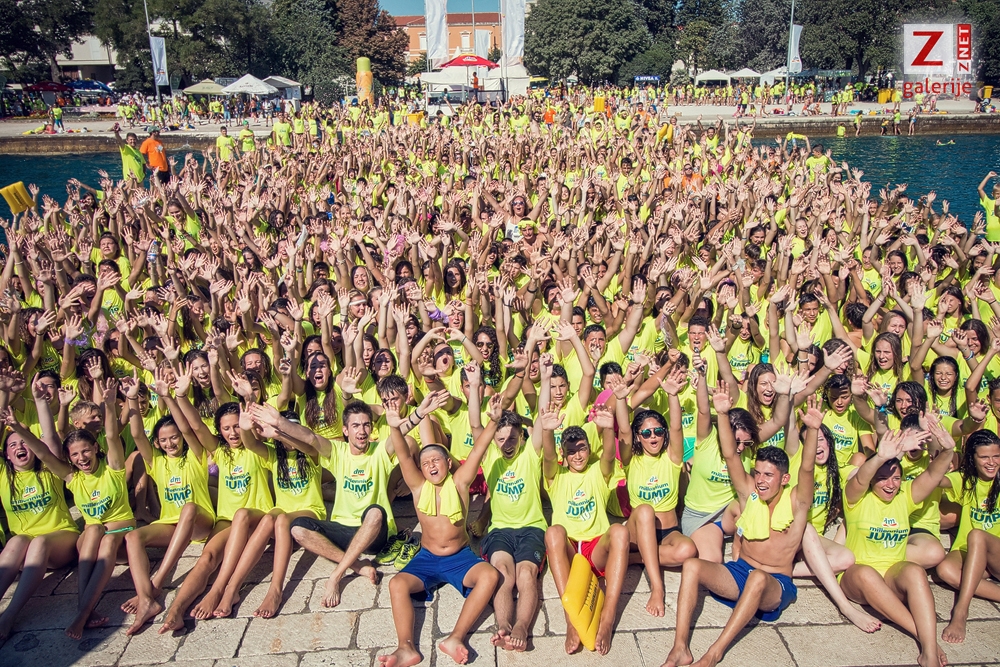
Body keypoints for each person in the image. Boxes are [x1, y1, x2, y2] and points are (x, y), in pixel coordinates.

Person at [661, 385, 817, 667]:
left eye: (768, 475)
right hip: (740, 573)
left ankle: (713, 654)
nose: (761, 480)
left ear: (784, 479)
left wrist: (814, 430)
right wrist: (722, 414)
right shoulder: (749, 492)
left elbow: (807, 469)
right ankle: (680, 647)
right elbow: (731, 455)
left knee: (758, 578)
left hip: (774, 583)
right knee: (692, 565)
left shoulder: (798, 502)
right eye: (757, 473)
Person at [379, 392, 501, 667]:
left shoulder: (459, 482)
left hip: (460, 557)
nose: (431, 465)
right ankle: (405, 647)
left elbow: (478, 451)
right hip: (427, 557)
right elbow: (403, 454)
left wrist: (493, 422)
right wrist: (394, 426)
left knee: (490, 575)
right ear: (420, 469)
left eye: (436, 460)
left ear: (448, 463)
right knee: (397, 583)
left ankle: (456, 638)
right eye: (425, 463)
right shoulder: (418, 486)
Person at [837, 419, 956, 667]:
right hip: (857, 578)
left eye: (896, 479)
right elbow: (859, 480)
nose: (890, 485)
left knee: (914, 571)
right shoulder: (856, 499)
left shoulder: (905, 496)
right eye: (883, 479)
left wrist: (948, 450)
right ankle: (926, 640)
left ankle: (928, 652)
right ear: (873, 480)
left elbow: (933, 474)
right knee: (867, 574)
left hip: (892, 575)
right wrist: (880, 457)